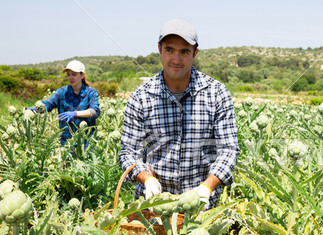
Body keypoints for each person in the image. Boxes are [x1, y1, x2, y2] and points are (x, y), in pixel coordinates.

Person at [119, 18, 240, 210]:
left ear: (195, 53)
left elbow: (229, 150)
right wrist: (147, 179)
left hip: (202, 207)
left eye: (184, 52)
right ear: (159, 49)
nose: (176, 59)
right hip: (153, 205)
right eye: (169, 50)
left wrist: (206, 188)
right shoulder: (141, 97)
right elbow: (128, 153)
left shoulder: (216, 93)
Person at [29, 60, 100, 146]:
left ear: (82, 75)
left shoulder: (91, 93)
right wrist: (40, 107)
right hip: (67, 142)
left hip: (87, 142)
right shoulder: (61, 92)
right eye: (68, 75)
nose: (70, 78)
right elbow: (49, 104)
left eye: (74, 74)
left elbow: (94, 111)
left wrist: (75, 114)